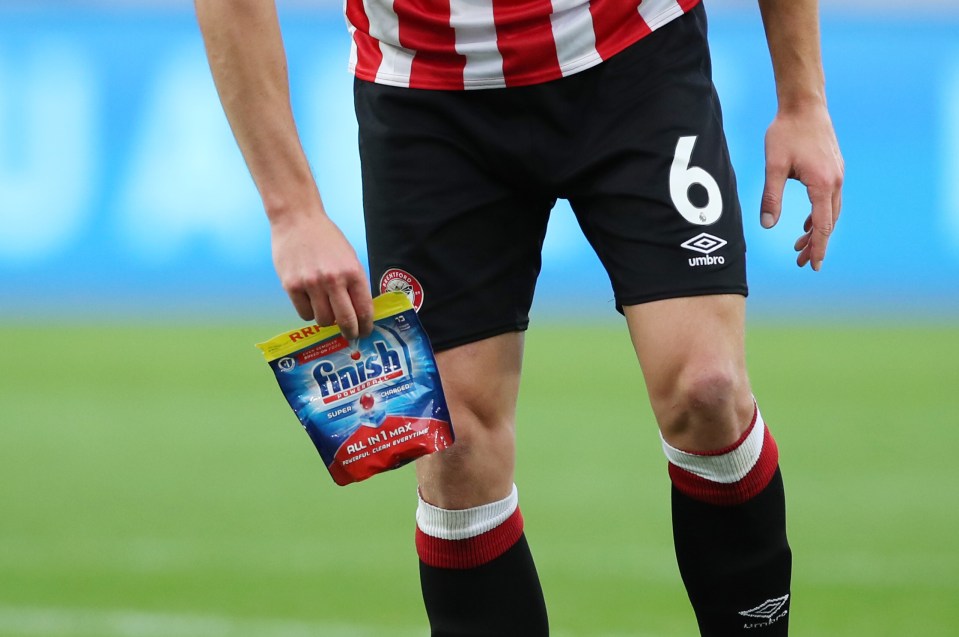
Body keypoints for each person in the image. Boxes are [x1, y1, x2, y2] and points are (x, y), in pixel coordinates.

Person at [196, 0, 843, 634]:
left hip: (632, 54)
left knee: (708, 387)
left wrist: (802, 101)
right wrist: (293, 212)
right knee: (457, 451)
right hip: (428, 93)